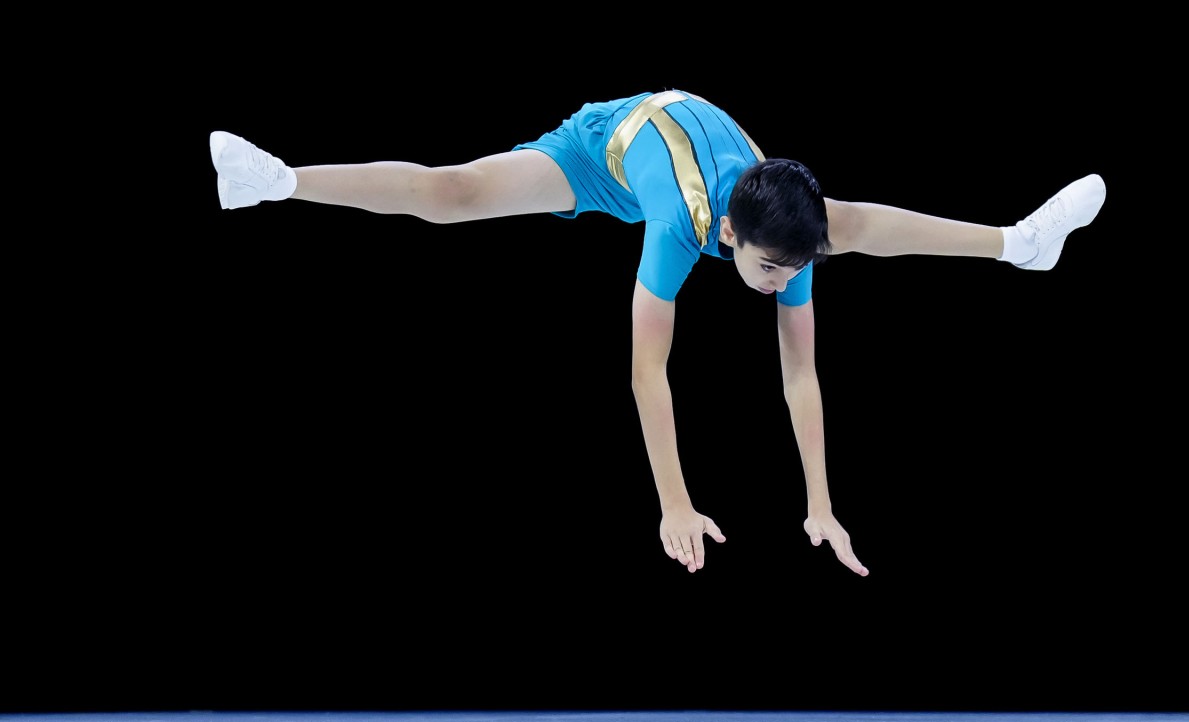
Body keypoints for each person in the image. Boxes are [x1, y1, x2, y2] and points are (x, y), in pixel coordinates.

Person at [209, 88, 1106, 578]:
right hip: (607, 146)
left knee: (860, 226)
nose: (783, 284)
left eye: (793, 270)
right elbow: (647, 372)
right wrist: (674, 501)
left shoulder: (790, 235)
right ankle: (278, 180)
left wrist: (820, 504)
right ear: (730, 237)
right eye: (770, 270)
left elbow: (801, 378)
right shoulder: (679, 227)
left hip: (708, 151)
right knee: (452, 195)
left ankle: (1018, 243)